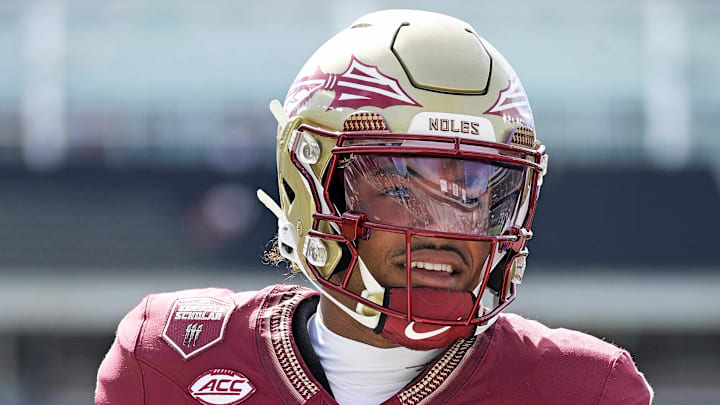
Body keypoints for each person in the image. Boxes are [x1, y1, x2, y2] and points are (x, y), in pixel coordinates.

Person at [95, 9, 653, 405]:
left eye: (472, 192)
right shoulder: (166, 361)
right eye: (404, 190)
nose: (446, 230)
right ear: (312, 184)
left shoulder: (586, 389)